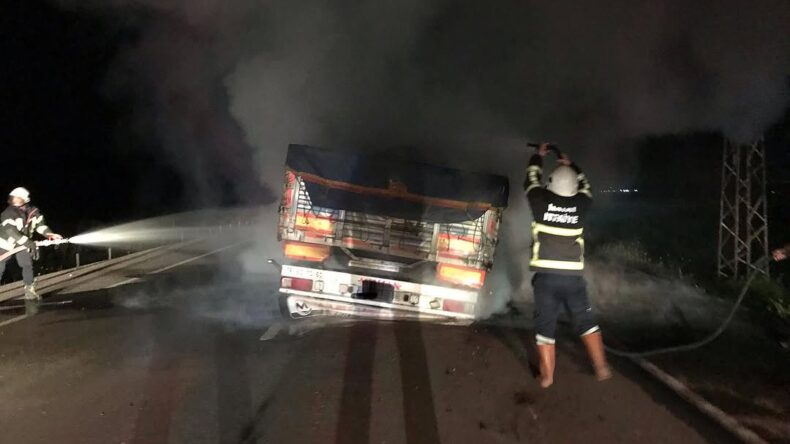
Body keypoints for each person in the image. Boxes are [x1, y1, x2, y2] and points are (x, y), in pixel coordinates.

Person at [524, 143, 611, 388]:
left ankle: (548, 377)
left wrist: (538, 156)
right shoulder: (582, 204)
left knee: (545, 326)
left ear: (550, 183)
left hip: (546, 279)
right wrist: (571, 164)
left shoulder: (539, 200)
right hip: (573, 278)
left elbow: (531, 178)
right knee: (585, 320)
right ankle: (601, 366)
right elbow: (586, 186)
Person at [0, 187, 62, 300]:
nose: (15, 200)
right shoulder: (8, 212)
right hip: (5, 243)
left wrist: (50, 234)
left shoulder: (33, 212)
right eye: (13, 198)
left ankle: (29, 290)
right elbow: (10, 230)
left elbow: (40, 226)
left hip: (23, 243)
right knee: (0, 267)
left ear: (25, 199)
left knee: (27, 265)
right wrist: (28, 242)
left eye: (18, 198)